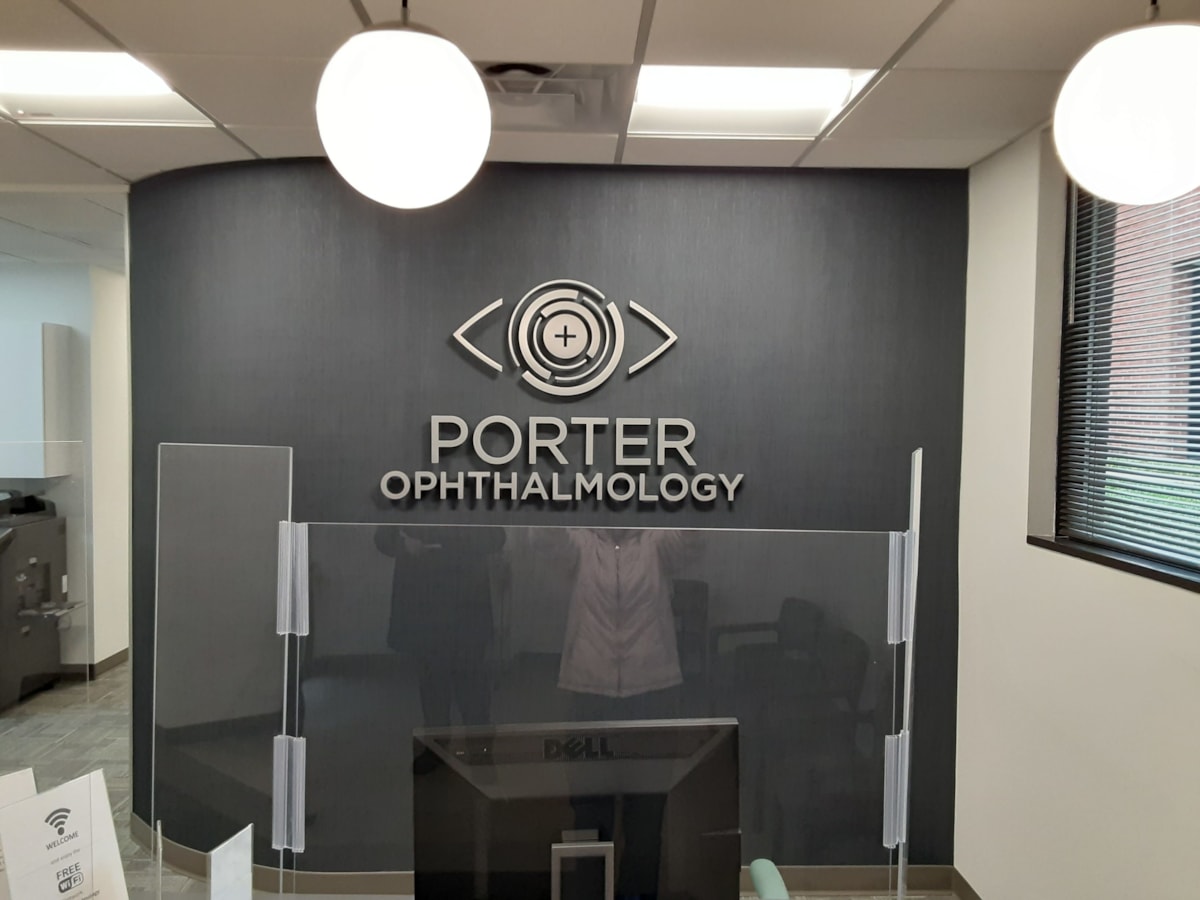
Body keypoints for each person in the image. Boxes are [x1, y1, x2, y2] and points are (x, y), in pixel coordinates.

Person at [376, 525, 504, 726]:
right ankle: (439, 744)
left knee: (473, 695)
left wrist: (466, 539)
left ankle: (477, 744)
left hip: (468, 607)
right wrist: (404, 545)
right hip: (425, 607)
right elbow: (383, 537)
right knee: (434, 693)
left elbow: (496, 537)